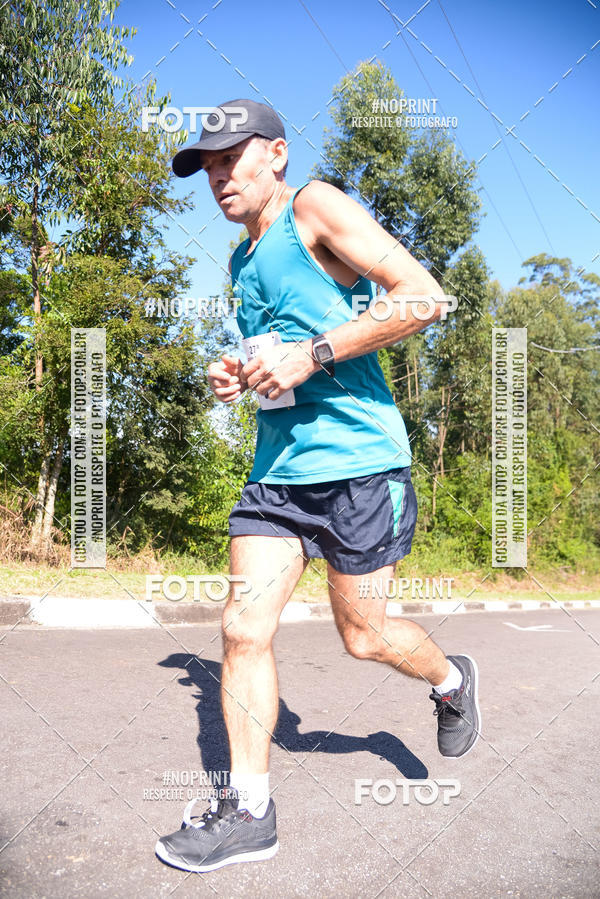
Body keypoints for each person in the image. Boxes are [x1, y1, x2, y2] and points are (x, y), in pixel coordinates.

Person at [155, 98, 481, 874]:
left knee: (363, 636)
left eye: (232, 157)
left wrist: (318, 351)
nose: (218, 176)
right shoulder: (238, 261)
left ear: (277, 154)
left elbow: (424, 295)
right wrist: (237, 371)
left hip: (360, 466)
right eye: (207, 166)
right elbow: (278, 358)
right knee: (241, 627)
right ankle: (250, 814)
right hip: (276, 475)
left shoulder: (314, 208)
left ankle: (449, 677)